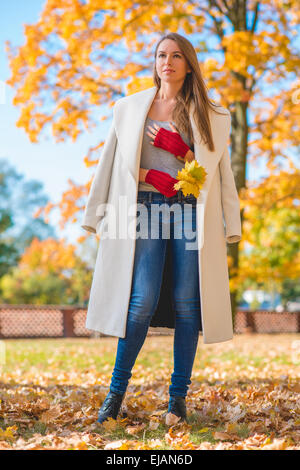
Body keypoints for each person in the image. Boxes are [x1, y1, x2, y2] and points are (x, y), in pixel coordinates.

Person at [82, 32, 241, 426]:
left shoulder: (209, 113)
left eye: (175, 56)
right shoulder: (130, 108)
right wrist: (151, 173)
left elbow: (216, 175)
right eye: (160, 55)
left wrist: (181, 151)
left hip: (188, 212)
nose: (166, 62)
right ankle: (115, 394)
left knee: (188, 305)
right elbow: (114, 166)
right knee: (140, 300)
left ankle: (177, 401)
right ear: (154, 62)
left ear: (188, 63)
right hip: (146, 208)